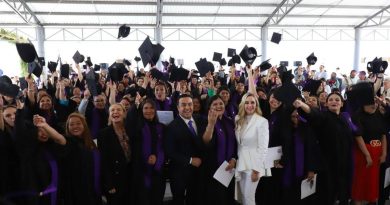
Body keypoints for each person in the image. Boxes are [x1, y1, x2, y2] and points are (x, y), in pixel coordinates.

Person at [293, 92, 355, 205]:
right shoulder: (324, 116)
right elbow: (313, 113)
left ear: (342, 104)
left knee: (343, 196)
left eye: (337, 100)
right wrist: (302, 105)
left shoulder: (344, 118)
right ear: (326, 104)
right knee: (327, 197)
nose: (334, 101)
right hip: (327, 167)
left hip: (343, 166)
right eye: (330, 100)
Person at [165, 94, 206, 205]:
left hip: (198, 172)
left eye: (190, 104)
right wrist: (190, 160)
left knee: (195, 199)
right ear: (178, 108)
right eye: (183, 105)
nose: (187, 107)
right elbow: (170, 152)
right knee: (178, 200)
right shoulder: (171, 127)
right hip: (179, 173)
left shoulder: (200, 120)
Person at [129, 99, 166, 205]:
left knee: (156, 198)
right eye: (145, 108)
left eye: (151, 108)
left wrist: (157, 158)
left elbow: (163, 147)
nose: (149, 111)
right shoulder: (136, 127)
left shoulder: (161, 127)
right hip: (141, 171)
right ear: (141, 110)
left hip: (157, 170)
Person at [234, 93, 269, 205]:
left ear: (256, 104)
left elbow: (263, 148)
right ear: (243, 104)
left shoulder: (262, 121)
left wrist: (256, 169)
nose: (250, 105)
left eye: (252, 102)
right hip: (241, 163)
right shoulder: (238, 119)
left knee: (249, 198)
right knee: (243, 196)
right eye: (247, 102)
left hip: (254, 165)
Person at [202, 95, 237, 205]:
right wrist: (211, 124)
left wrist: (234, 159)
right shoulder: (204, 120)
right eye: (215, 104)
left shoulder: (230, 122)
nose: (219, 106)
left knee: (228, 198)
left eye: (221, 103)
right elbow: (206, 142)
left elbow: (236, 144)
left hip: (229, 168)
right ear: (209, 107)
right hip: (213, 169)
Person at [351, 102, 387, 205]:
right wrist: (367, 155)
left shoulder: (379, 116)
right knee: (360, 182)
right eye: (371, 103)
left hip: (378, 153)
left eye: (375, 102)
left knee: (373, 182)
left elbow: (383, 135)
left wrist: (384, 153)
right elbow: (358, 136)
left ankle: (372, 200)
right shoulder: (357, 116)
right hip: (363, 152)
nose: (374, 105)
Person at [63, 113, 102, 205]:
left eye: (78, 123)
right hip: (76, 191)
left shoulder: (90, 143)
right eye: (71, 124)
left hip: (93, 187)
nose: (75, 126)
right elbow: (58, 138)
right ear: (67, 127)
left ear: (84, 125)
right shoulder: (67, 142)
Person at [98, 103, 133, 205]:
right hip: (114, 179)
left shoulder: (131, 129)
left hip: (131, 176)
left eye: (118, 110)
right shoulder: (103, 134)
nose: (115, 112)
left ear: (124, 113)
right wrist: (109, 184)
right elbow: (103, 161)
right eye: (112, 110)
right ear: (109, 115)